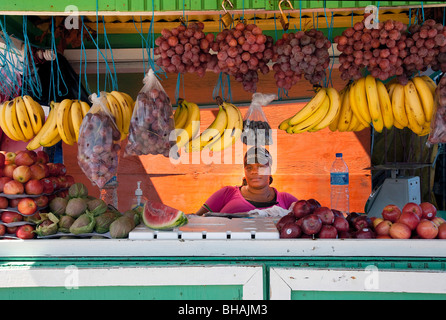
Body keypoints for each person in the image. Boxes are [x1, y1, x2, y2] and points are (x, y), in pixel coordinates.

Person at [195, 147, 298, 215]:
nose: (254, 172)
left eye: (260, 167)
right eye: (249, 168)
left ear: (270, 170)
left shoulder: (286, 200)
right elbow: (196, 219)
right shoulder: (227, 193)